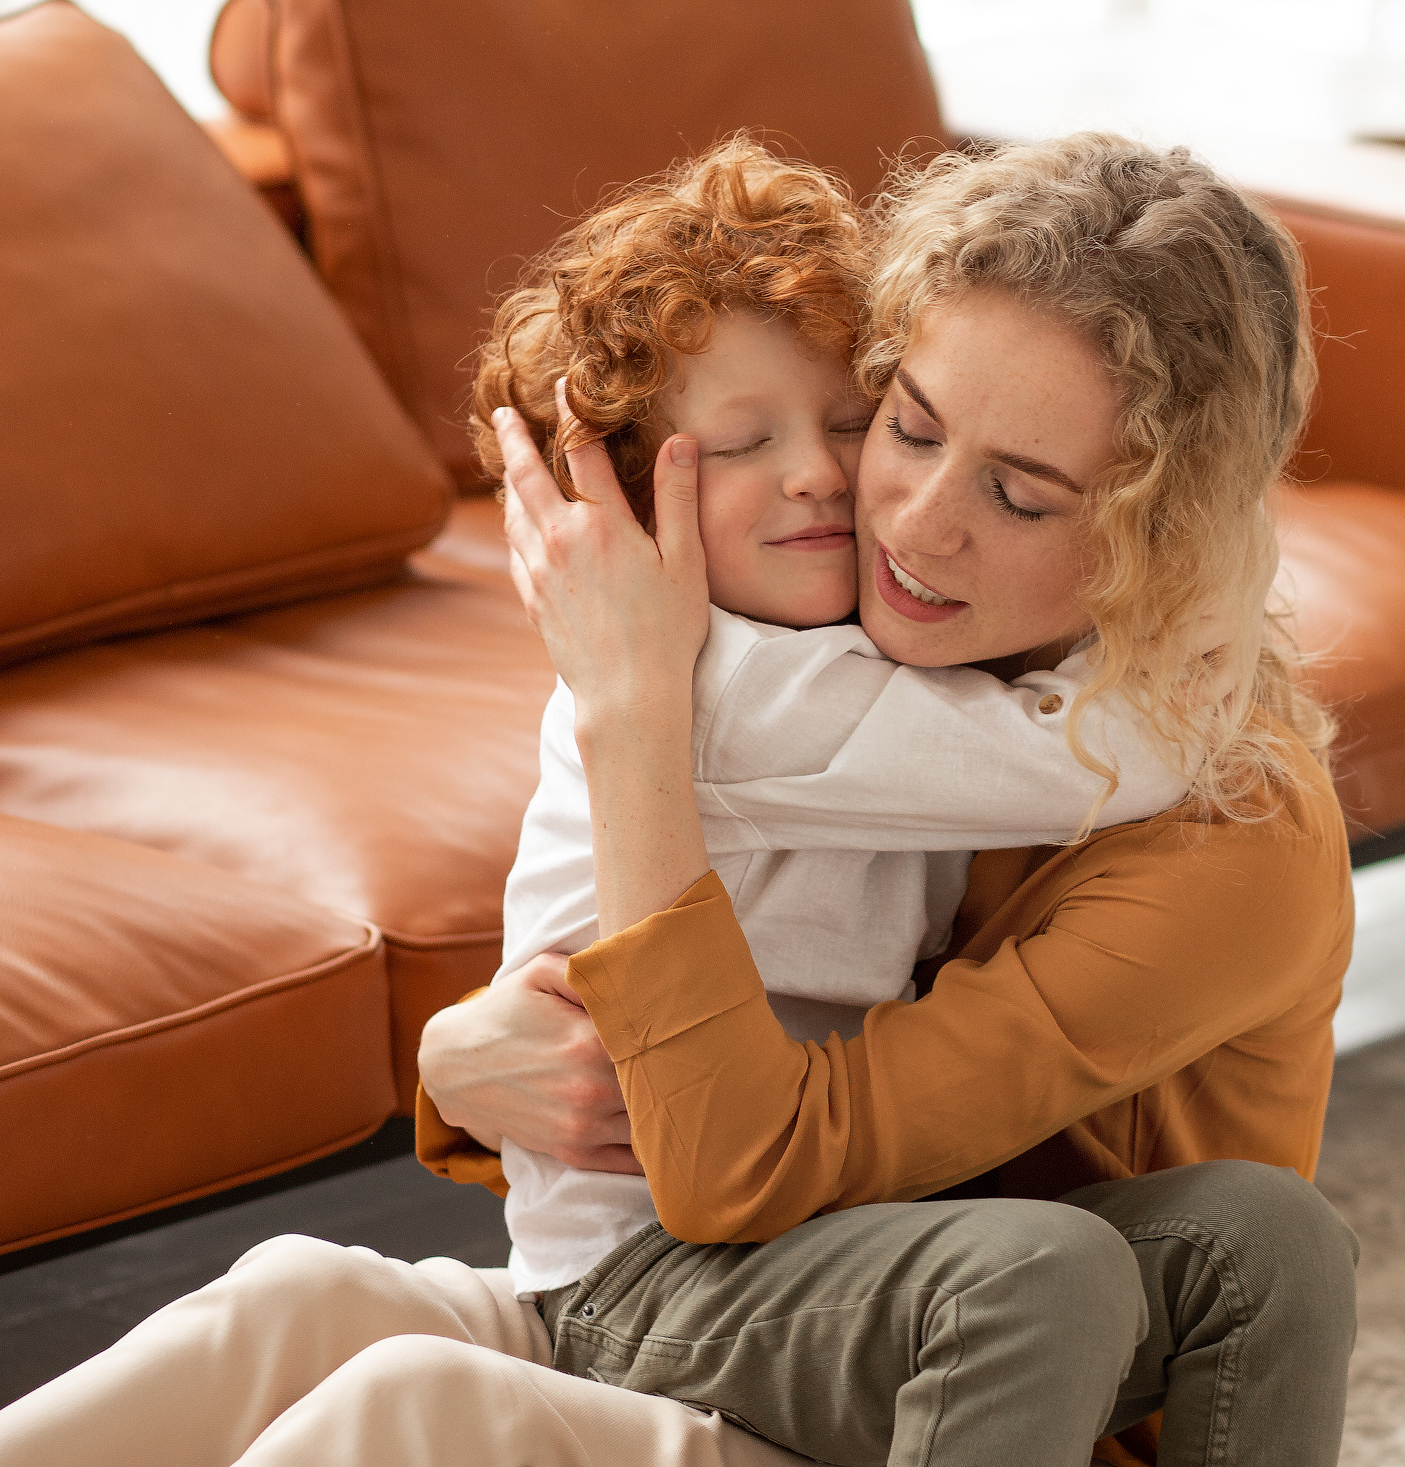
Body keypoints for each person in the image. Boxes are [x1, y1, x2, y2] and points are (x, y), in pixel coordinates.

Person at [0, 132, 1358, 1467]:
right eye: (907, 426)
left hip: (955, 1338)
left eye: (1023, 495)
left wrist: (628, 719)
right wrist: (460, 1057)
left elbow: (755, 1158)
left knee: (1220, 1243)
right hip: (801, 1278)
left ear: (1159, 530)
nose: (902, 515)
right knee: (299, 1298)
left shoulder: (1199, 814)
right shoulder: (872, 666)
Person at [469, 138, 1194, 1466]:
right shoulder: (737, 695)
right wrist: (1201, 570)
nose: (819, 473)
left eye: (856, 424)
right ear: (623, 507)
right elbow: (1121, 755)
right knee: (1042, 1274)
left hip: (783, 1222)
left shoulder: (841, 661)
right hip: (645, 1271)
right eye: (739, 445)